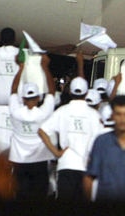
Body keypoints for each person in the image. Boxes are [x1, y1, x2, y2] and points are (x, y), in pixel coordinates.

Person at [38, 52, 103, 202]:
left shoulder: (62, 111)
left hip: (66, 165)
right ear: (86, 93)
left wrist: (56, 152)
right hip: (87, 167)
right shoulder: (93, 114)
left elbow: (42, 131)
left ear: (70, 91)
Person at [7, 53, 56, 200]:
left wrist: (20, 68)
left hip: (19, 162)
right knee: (39, 198)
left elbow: (13, 90)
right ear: (38, 98)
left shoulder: (16, 112)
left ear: (23, 98)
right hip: (39, 161)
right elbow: (52, 91)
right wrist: (45, 67)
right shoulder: (43, 114)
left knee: (20, 197)